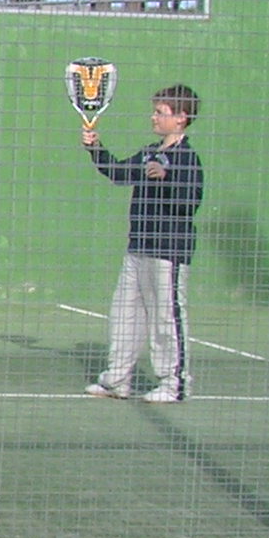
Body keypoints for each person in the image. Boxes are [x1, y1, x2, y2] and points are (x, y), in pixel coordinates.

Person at [82, 85, 203, 403]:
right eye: (154, 111)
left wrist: (167, 177)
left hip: (168, 253)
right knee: (124, 314)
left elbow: (190, 203)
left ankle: (175, 384)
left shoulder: (187, 158)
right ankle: (117, 380)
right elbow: (119, 173)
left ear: (181, 118)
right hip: (137, 249)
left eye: (160, 113)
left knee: (166, 317)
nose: (153, 117)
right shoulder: (150, 152)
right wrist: (96, 148)